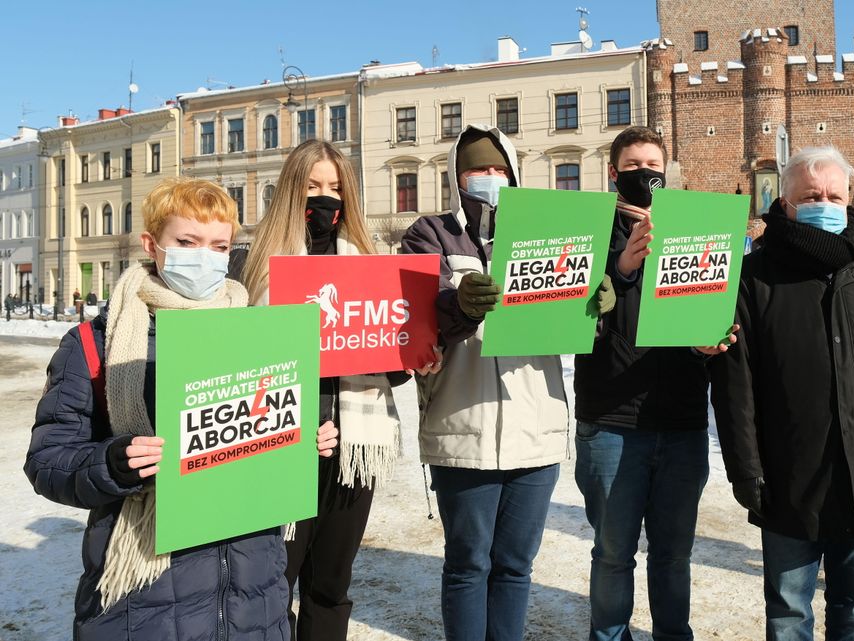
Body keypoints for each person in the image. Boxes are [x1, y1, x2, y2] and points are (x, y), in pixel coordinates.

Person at [24, 177, 339, 640]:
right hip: (145, 596)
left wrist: (303, 437)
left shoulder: (260, 334)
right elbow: (47, 459)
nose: (204, 257)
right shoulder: (95, 344)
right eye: (187, 242)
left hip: (253, 589)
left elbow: (264, 425)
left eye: (218, 245)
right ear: (153, 245)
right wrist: (112, 462)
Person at [401, 123, 611, 641]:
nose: (489, 178)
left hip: (535, 427)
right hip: (461, 426)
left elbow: (567, 320)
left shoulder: (546, 230)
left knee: (516, 566)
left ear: (513, 174)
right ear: (458, 176)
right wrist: (457, 304)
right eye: (477, 169)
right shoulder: (429, 233)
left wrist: (594, 304)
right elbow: (415, 316)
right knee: (469, 564)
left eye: (498, 169)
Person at [709, 146, 854, 641]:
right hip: (789, 477)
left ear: (850, 198)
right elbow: (735, 386)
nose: (823, 203)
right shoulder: (754, 277)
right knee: (788, 613)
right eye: (811, 195)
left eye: (833, 194)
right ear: (784, 202)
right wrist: (746, 470)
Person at [236, 139, 438, 641]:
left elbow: (392, 354)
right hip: (277, 444)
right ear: (290, 192)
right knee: (271, 581)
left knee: (330, 583)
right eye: (311, 187)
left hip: (354, 446)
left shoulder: (372, 263)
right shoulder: (254, 265)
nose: (324, 199)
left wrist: (410, 357)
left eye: (334, 187)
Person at [572, 125, 731, 641]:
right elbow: (566, 318)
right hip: (611, 422)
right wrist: (620, 267)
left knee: (673, 556)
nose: (646, 175)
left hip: (682, 423)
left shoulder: (695, 230)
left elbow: (715, 310)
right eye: (634, 167)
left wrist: (715, 340)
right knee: (614, 554)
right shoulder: (587, 231)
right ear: (613, 174)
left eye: (654, 167)